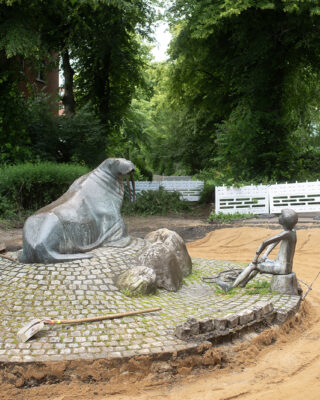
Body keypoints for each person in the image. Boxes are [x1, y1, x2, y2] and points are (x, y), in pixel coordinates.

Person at [214, 208, 298, 292]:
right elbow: (275, 241)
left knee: (252, 265)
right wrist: (265, 255)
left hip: (280, 268)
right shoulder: (292, 232)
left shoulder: (286, 234)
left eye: (281, 216)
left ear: (284, 220)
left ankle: (229, 287)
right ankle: (243, 282)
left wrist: (256, 257)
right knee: (259, 263)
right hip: (285, 267)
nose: (279, 217)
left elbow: (264, 243)